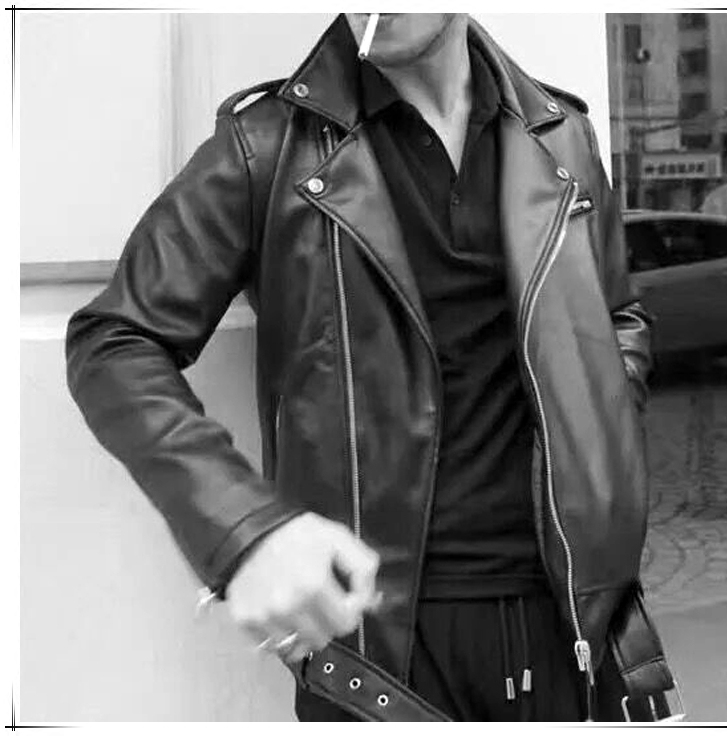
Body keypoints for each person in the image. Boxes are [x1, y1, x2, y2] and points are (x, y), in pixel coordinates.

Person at [66, 13, 675, 722]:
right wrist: (244, 530)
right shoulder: (266, 145)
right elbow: (115, 341)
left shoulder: (562, 134)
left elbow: (616, 315)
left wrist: (605, 442)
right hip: (377, 653)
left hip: (574, 625)